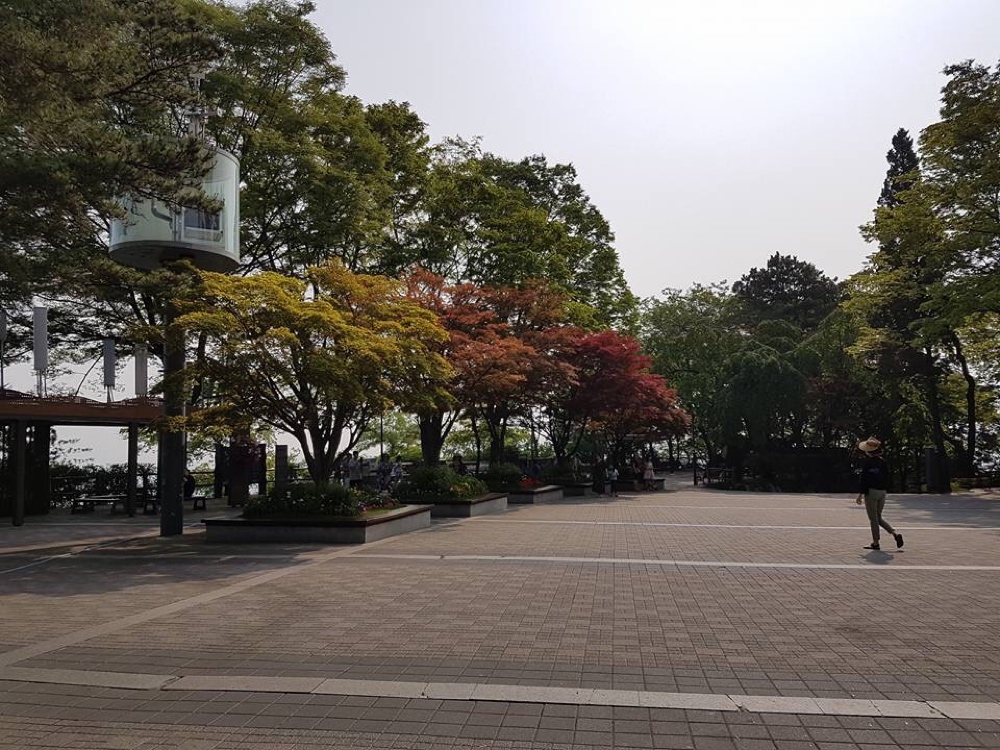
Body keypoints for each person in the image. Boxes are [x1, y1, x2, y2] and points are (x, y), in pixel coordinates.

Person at [856, 437, 903, 551]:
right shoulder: (883, 462)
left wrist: (860, 494)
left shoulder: (868, 463)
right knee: (878, 517)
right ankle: (894, 534)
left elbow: (864, 479)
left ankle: (876, 542)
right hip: (882, 492)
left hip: (871, 492)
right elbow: (888, 477)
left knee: (873, 519)